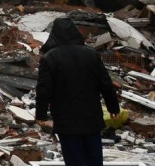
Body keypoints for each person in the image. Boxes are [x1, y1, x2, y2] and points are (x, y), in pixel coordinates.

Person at [36, 18, 120, 166]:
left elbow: (44, 89)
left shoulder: (50, 58)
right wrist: (113, 107)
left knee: (74, 158)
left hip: (66, 119)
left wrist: (41, 114)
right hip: (91, 117)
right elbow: (105, 83)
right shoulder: (91, 54)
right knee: (94, 157)